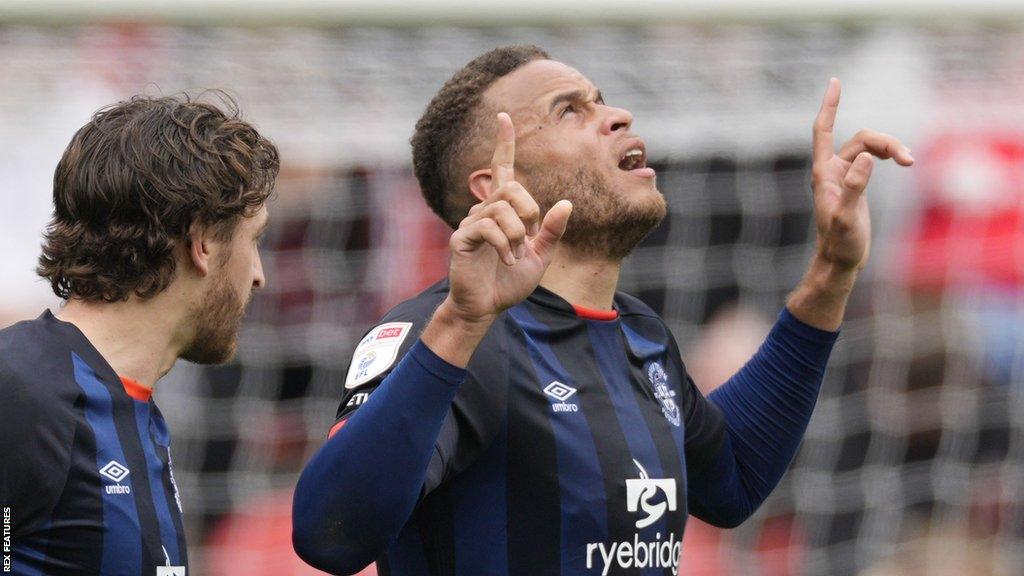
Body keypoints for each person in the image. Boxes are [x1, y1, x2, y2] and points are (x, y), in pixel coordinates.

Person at [292, 45, 914, 576]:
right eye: (570, 111)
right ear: (495, 184)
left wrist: (832, 269)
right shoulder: (448, 335)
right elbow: (332, 536)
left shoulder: (641, 335)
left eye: (603, 101)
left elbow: (732, 480)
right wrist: (460, 323)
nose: (619, 116)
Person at [0, 94, 280, 575]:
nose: (258, 274)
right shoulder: (20, 390)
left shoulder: (133, 408)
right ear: (204, 243)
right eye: (253, 240)